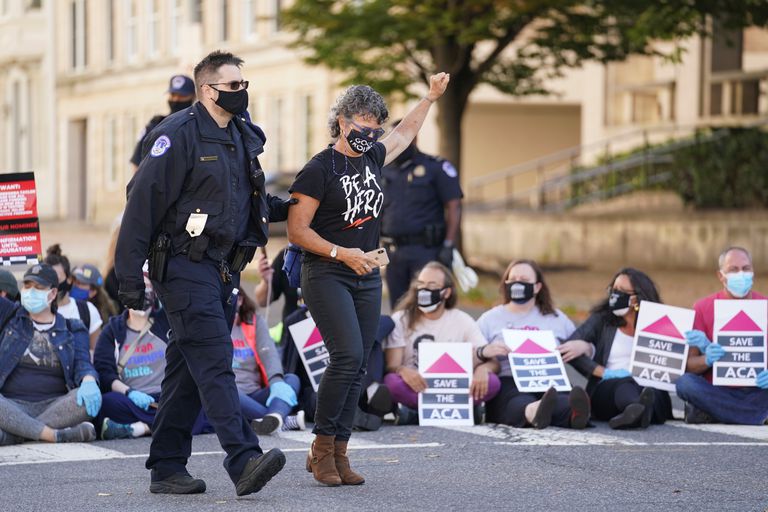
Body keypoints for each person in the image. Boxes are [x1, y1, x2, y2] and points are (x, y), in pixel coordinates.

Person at [115, 50, 293, 496]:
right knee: (214, 360)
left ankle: (167, 466)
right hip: (182, 267)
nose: (242, 92)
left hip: (224, 271)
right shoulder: (176, 135)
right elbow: (140, 207)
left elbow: (245, 202)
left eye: (243, 85)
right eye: (233, 86)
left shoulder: (240, 134)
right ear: (208, 89)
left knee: (187, 371)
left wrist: (289, 207)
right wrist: (129, 281)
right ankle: (243, 457)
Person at [287, 71, 449, 486]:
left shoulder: (374, 156)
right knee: (345, 357)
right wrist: (343, 253)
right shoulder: (318, 169)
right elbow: (297, 230)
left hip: (366, 275)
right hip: (327, 272)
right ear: (342, 121)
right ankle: (321, 449)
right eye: (362, 123)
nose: (371, 132)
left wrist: (430, 98)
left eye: (375, 125)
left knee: (360, 362)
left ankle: (340, 451)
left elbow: (405, 134)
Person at [476, 259, 590, 429]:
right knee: (517, 401)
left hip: (548, 378)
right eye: (512, 279)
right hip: (510, 378)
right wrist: (484, 351)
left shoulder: (556, 318)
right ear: (505, 283)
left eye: (524, 279)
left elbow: (583, 348)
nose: (517, 284)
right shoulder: (490, 319)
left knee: (562, 399)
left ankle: (574, 415)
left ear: (537, 287)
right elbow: (470, 354)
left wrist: (584, 346)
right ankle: (534, 411)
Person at [93, 278, 213, 440]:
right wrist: (129, 393)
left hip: (168, 395)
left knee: (195, 402)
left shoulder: (167, 322)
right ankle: (169, 425)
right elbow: (105, 372)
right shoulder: (112, 331)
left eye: (148, 289)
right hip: (133, 399)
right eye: (138, 289)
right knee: (107, 403)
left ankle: (143, 428)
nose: (143, 294)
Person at [384, 262, 500, 424]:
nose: (424, 289)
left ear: (446, 292)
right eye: (421, 284)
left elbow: (493, 362)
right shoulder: (401, 318)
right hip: (417, 386)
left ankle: (414, 414)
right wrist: (403, 370)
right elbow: (392, 366)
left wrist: (482, 369)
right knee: (392, 383)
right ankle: (460, 409)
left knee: (493, 382)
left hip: (451, 387)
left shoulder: (462, 320)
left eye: (432, 285)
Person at [0, 263, 101, 445]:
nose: (30, 292)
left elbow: (83, 364)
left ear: (53, 294)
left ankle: (15, 434)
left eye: (38, 288)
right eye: (27, 286)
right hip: (10, 403)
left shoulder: (72, 327)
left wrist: (89, 380)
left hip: (54, 406)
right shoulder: (10, 315)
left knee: (85, 399)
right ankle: (52, 435)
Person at [568, 268, 672, 429]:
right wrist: (602, 372)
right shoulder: (602, 319)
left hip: (647, 385)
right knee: (624, 385)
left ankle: (637, 413)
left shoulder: (659, 324)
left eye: (622, 291)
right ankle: (636, 410)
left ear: (637, 298)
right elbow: (568, 349)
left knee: (652, 393)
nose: (615, 295)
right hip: (609, 387)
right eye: (613, 290)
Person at [676, 246, 768, 424]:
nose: (741, 274)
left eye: (746, 268)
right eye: (733, 269)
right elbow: (689, 366)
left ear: (753, 272)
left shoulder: (765, 305)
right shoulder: (703, 307)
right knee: (685, 383)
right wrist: (707, 359)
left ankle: (713, 412)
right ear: (721, 276)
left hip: (759, 390)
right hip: (718, 389)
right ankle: (758, 415)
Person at [380, 125, 463, 308]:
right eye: (394, 138)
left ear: (415, 139)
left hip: (426, 250)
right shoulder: (383, 170)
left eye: (403, 138)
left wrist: (449, 245)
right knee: (399, 308)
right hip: (393, 252)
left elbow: (454, 206)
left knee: (428, 305)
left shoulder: (435, 167)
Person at [230, 290, 303, 435]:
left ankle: (274, 418)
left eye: (237, 299)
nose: (233, 303)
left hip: (255, 393)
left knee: (291, 379)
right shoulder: (212, 326)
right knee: (226, 391)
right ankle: (281, 419)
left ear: (241, 301)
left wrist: (276, 381)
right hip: (230, 392)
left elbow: (268, 352)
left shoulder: (254, 320)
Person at [130, 74, 196, 172]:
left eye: (182, 96)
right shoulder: (155, 125)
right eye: (173, 95)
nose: (176, 100)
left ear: (193, 97)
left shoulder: (199, 126)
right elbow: (137, 163)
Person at [44, 244, 103, 351]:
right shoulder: (34, 310)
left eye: (56, 278)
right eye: (45, 278)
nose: (51, 283)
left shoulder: (87, 311)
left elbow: (97, 355)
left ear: (69, 279)